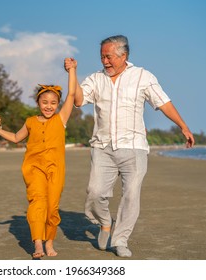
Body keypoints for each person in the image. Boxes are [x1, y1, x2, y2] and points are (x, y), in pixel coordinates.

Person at [65, 35, 195, 258]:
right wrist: (72, 73)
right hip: (102, 146)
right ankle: (105, 222)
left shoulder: (143, 76)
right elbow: (78, 100)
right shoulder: (96, 79)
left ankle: (120, 239)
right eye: (102, 57)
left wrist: (183, 126)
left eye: (109, 57)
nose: (105, 61)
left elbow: (163, 102)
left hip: (134, 147)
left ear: (123, 55)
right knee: (95, 193)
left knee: (131, 195)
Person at [0, 59, 77, 258]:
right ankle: (38, 244)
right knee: (37, 203)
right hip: (34, 169)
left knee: (52, 206)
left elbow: (71, 94)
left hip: (56, 170)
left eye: (53, 103)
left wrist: (72, 70)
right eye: (45, 102)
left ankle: (49, 242)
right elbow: (15, 138)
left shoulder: (60, 119)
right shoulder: (30, 122)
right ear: (38, 103)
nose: (49, 106)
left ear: (57, 105)